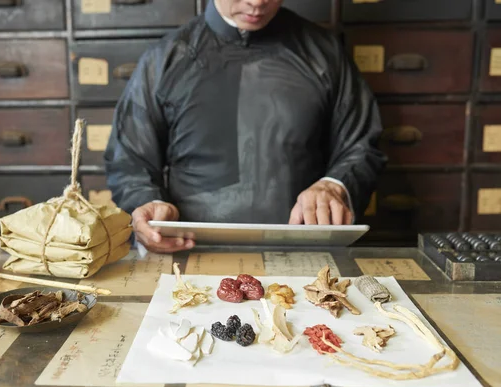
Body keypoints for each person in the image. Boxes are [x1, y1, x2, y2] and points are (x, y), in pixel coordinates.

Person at [104, 0, 387, 253]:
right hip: (190, 252)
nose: (257, 3)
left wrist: (334, 185)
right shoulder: (165, 58)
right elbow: (130, 159)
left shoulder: (324, 53)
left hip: (303, 251)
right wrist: (146, 203)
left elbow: (360, 145)